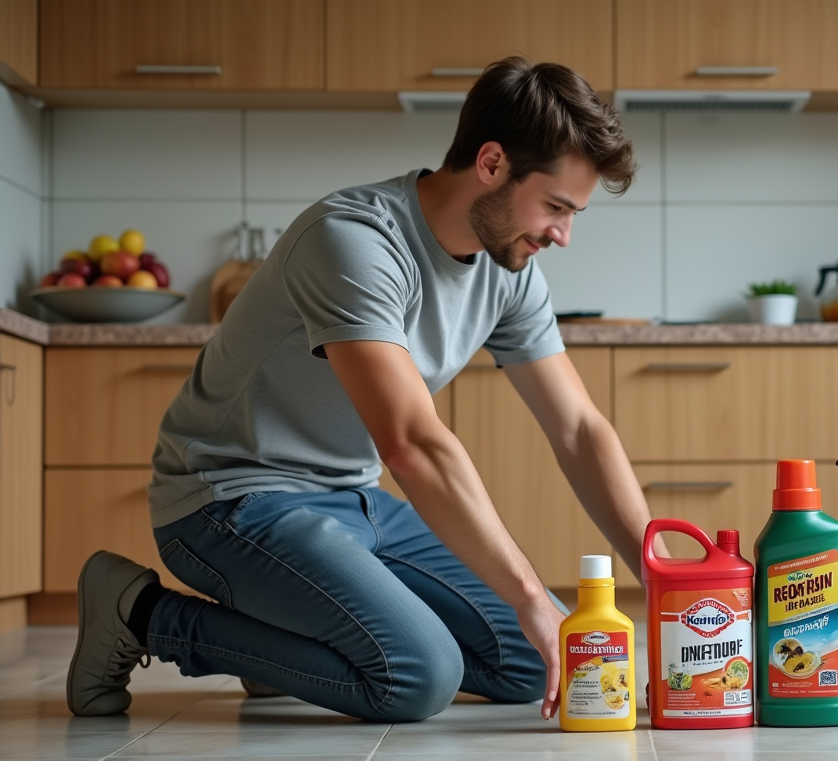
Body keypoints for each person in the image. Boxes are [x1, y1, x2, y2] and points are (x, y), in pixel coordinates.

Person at [65, 56, 655, 724]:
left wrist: (658, 574)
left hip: (352, 501)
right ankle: (140, 614)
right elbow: (411, 444)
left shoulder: (508, 270)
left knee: (530, 663)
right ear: (491, 164)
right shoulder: (353, 241)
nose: (563, 235)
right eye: (555, 207)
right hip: (227, 498)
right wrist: (526, 595)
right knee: (420, 677)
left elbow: (578, 428)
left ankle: (289, 639)